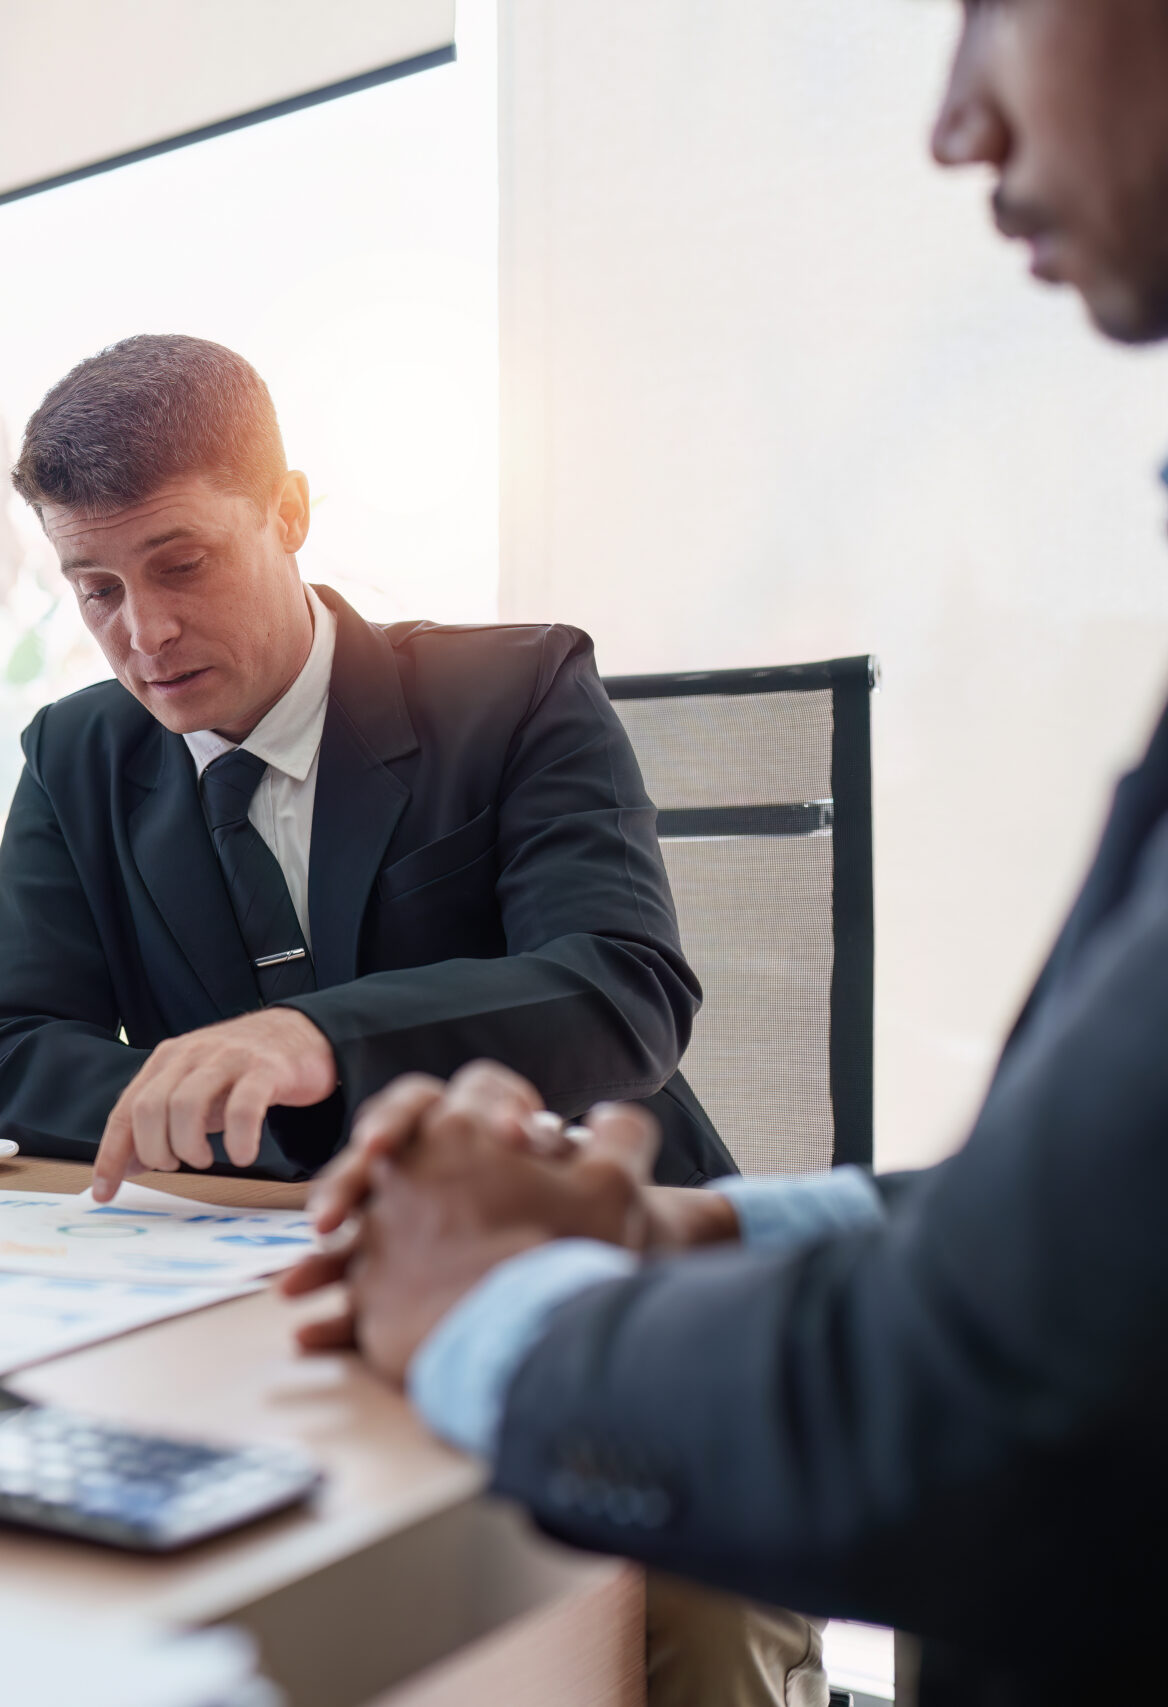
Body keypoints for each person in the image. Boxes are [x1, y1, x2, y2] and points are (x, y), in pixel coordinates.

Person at [285, 3, 1168, 1700]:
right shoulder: (78, 750)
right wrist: (712, 1231)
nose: (953, 124)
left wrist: (494, 1303)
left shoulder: (517, 678)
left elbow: (1000, 1408)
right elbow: (1110, 1240)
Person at [0, 334, 735, 1197]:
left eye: (184, 566)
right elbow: (13, 1052)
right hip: (257, 1235)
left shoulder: (517, 691)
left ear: (288, 513)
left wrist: (314, 1044)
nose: (146, 633)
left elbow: (622, 990)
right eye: (99, 589)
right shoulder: (75, 756)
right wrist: (270, 1123)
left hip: (583, 1224)